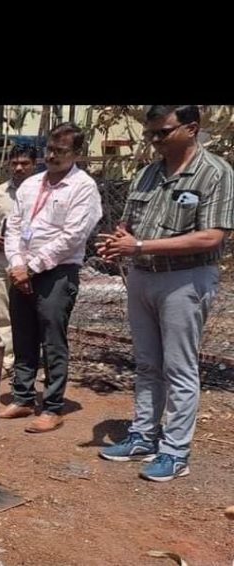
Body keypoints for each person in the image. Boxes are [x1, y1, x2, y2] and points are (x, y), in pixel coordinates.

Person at [97, 105, 233, 482]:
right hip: (143, 277)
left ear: (192, 128)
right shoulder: (147, 173)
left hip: (185, 280)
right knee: (146, 363)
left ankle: (175, 452)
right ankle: (143, 435)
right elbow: (129, 224)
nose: (155, 140)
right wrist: (117, 242)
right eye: (151, 134)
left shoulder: (215, 173)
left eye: (163, 132)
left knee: (179, 367)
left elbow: (213, 236)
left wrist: (139, 246)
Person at [0, 123, 102, 433]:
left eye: (61, 151)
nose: (52, 156)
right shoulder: (30, 185)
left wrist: (32, 266)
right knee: (23, 335)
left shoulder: (83, 188)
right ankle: (23, 397)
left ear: (77, 153)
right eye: (50, 149)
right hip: (22, 270)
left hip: (57, 272)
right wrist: (18, 263)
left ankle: (53, 406)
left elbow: (73, 236)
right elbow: (14, 227)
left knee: (52, 339)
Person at [0, 145, 39, 379]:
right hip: (2, 260)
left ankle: (33, 363)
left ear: (34, 164)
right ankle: (7, 361)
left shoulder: (43, 191)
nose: (18, 168)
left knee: (36, 314)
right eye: (14, 163)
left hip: (33, 264)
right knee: (3, 312)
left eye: (24, 163)